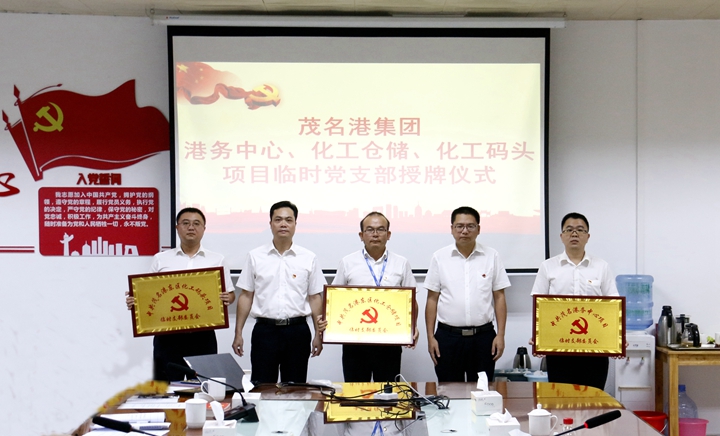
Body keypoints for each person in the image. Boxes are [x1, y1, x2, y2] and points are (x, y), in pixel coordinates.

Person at [125, 207, 236, 381]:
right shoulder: (161, 259)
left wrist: (227, 298)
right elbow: (149, 293)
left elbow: (230, 294)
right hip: (167, 335)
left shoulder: (217, 259)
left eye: (196, 223)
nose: (191, 227)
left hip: (202, 334)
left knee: (203, 386)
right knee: (165, 387)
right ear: (177, 227)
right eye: (185, 223)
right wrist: (136, 299)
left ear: (204, 229)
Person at [232, 201, 325, 384]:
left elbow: (315, 297)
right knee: (262, 388)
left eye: (289, 220)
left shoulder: (308, 257)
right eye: (278, 220)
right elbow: (246, 295)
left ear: (295, 224)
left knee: (295, 389)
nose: (283, 224)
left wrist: (318, 334)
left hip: (297, 332)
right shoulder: (255, 256)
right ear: (270, 224)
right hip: (264, 332)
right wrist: (238, 333)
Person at [530, 212, 619, 390]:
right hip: (559, 348)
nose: (574, 234)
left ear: (588, 236)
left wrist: (617, 337)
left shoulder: (601, 266)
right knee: (561, 397)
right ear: (561, 236)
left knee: (593, 398)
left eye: (580, 230)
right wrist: (539, 335)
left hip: (595, 348)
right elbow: (539, 304)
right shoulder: (548, 266)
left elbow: (613, 305)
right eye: (569, 230)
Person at [424, 206, 510, 382]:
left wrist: (500, 335)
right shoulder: (439, 257)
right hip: (447, 338)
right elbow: (432, 299)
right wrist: (430, 337)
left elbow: (499, 297)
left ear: (478, 229)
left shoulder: (491, 256)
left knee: (482, 391)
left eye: (470, 226)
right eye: (459, 226)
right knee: (448, 390)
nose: (465, 231)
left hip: (483, 338)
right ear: (452, 229)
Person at [331, 211, 419, 382]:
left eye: (381, 229)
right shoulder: (347, 262)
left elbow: (411, 301)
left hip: (389, 342)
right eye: (370, 230)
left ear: (389, 234)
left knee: (387, 392)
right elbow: (335, 299)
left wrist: (412, 326)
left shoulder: (401, 263)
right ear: (361, 235)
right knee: (355, 392)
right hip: (355, 342)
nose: (375, 234)